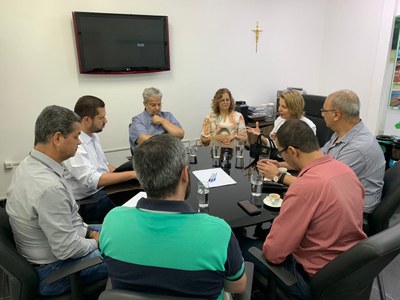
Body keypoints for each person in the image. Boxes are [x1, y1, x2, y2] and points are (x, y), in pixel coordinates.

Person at [100, 135, 247, 299]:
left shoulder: (112, 221)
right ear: (185, 174)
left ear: (140, 178)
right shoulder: (219, 232)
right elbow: (238, 286)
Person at [242, 119, 367, 299]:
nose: (282, 158)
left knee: (242, 242)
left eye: (281, 153)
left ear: (292, 151)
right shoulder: (346, 171)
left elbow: (273, 254)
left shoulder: (304, 188)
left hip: (313, 280)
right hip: (350, 269)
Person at [6, 105, 108, 296]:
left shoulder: (31, 164)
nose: (79, 142)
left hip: (58, 250)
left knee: (120, 228)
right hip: (56, 270)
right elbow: (67, 249)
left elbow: (71, 220)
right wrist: (99, 241)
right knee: (129, 253)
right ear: (58, 138)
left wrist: (90, 232)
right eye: (76, 136)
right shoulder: (48, 187)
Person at [260, 90, 385, 214]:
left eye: (324, 111)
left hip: (354, 214)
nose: (322, 114)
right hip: (336, 197)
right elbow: (315, 161)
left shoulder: (358, 148)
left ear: (336, 115)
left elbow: (321, 187)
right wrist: (280, 165)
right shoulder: (340, 134)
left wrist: (278, 175)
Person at [64, 95, 137, 223]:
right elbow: (92, 180)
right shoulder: (75, 144)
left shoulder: (93, 136)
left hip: (102, 191)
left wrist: (124, 171)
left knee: (138, 191)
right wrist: (131, 174)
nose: (106, 121)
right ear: (86, 120)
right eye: (101, 117)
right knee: (131, 216)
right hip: (89, 200)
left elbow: (104, 166)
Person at [247, 90, 316, 145]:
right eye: (280, 105)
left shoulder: (309, 126)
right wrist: (260, 136)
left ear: (295, 108)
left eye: (284, 107)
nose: (279, 109)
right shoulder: (279, 120)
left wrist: (280, 142)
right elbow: (273, 145)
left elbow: (303, 155)